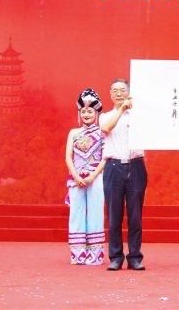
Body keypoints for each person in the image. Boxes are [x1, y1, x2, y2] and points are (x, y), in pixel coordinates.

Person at [100, 78, 147, 271]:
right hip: (113, 167)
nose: (118, 93)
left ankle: (135, 257)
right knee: (114, 215)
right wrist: (121, 110)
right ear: (110, 94)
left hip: (136, 166)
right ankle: (116, 257)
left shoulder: (139, 116)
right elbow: (106, 128)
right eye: (115, 90)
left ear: (129, 92)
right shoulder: (105, 116)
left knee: (135, 216)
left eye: (122, 90)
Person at [65, 88, 106, 265]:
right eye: (83, 111)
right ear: (79, 113)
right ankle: (78, 253)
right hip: (76, 179)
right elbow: (68, 157)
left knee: (96, 212)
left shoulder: (103, 132)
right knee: (76, 213)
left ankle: (95, 254)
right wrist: (76, 176)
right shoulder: (73, 133)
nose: (86, 114)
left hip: (95, 178)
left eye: (90, 111)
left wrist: (92, 176)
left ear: (96, 113)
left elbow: (105, 157)